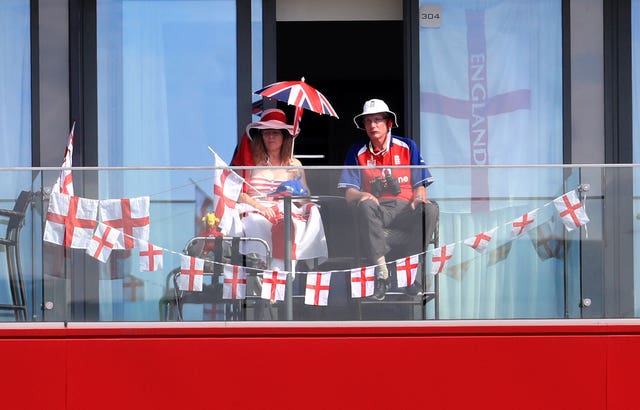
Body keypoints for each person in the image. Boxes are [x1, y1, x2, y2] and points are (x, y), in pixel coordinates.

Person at [337, 99, 438, 300]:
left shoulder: (408, 146)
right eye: (367, 121)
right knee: (364, 205)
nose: (372, 125)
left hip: (405, 210)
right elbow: (349, 194)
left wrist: (419, 198)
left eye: (377, 120)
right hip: (377, 212)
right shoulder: (357, 151)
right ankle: (382, 274)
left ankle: (409, 276)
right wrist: (362, 194)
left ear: (389, 123)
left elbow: (421, 186)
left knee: (431, 209)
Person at [236, 108, 328, 272]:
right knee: (256, 223)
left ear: (284, 136)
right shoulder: (251, 161)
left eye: (276, 133)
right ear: (261, 136)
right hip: (256, 211)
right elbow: (238, 194)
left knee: (292, 226)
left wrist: (296, 180)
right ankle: (267, 275)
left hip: (286, 212)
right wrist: (261, 207)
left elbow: (305, 198)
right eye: (266, 133)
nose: (270, 137)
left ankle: (281, 279)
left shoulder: (294, 163)